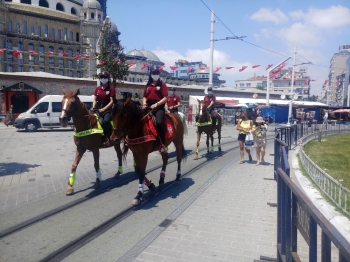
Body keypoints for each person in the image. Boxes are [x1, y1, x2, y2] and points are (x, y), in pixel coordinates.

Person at [142, 66, 168, 153]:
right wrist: (144, 104)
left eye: (157, 73)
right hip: (148, 107)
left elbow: (165, 98)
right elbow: (145, 96)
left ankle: (162, 144)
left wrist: (156, 104)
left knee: (159, 122)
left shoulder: (162, 84)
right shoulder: (148, 85)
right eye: (154, 73)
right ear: (151, 74)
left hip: (159, 107)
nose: (155, 75)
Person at [92, 71, 115, 146]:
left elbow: (112, 101)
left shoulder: (111, 89)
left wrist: (104, 109)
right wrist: (93, 107)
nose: (103, 79)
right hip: (98, 108)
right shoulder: (98, 89)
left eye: (105, 77)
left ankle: (107, 138)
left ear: (108, 78)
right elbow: (95, 99)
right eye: (101, 77)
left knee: (106, 121)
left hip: (107, 110)